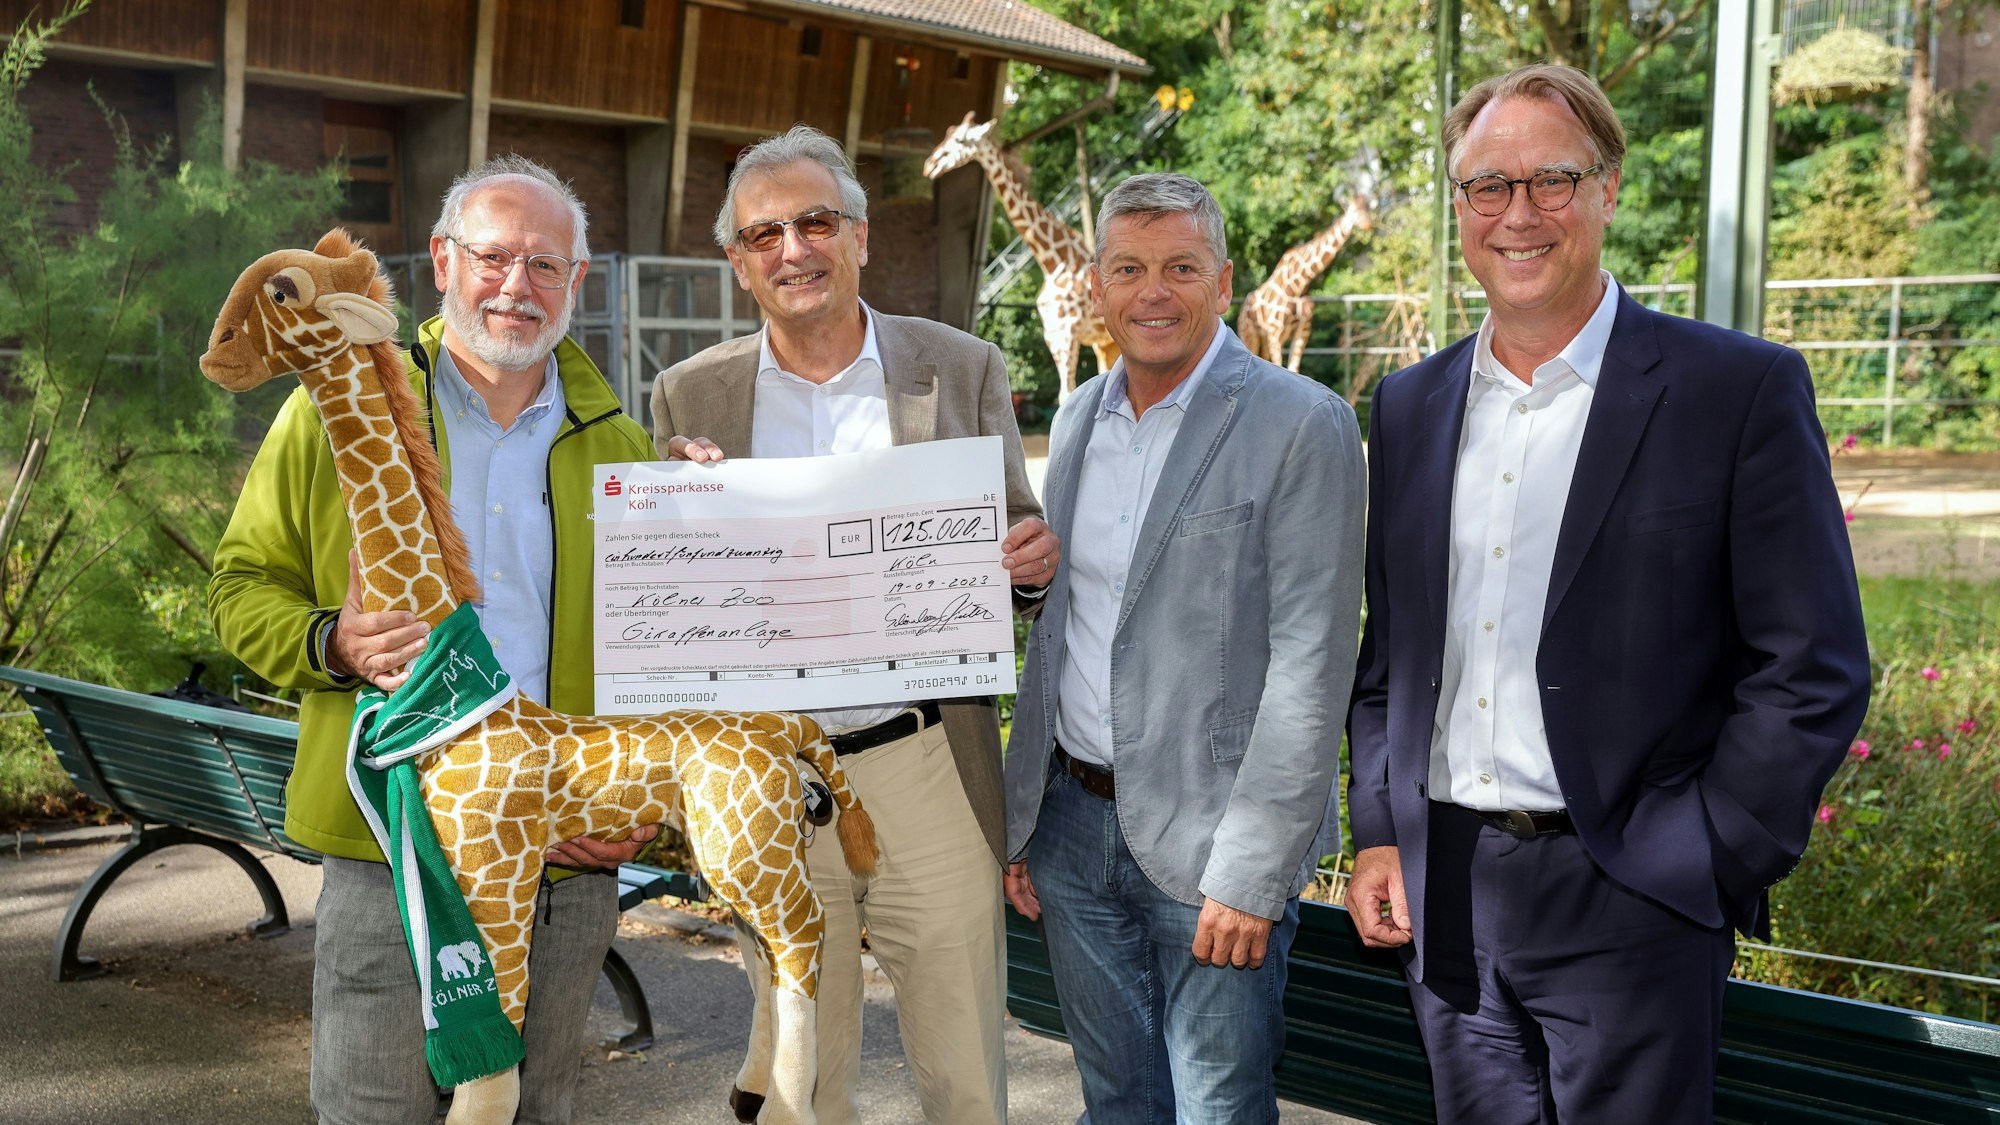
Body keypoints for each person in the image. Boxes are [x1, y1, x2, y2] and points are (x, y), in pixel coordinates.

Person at [1344, 63, 1872, 1123]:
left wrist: (1709, 852)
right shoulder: (1408, 403)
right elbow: (1391, 656)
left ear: (1608, 189)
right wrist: (1376, 828)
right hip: (1448, 887)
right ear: (1457, 206)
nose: (1518, 214)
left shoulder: (1732, 389)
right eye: (1486, 187)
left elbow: (1810, 665)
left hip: (1632, 893)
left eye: (1552, 179)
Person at [209, 155, 659, 1124]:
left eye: (546, 265)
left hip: (561, 852)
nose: (516, 286)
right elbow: (239, 589)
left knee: (533, 1109)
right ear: (442, 263)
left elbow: (664, 650)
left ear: (577, 282)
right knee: (374, 1109)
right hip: (390, 842)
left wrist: (635, 797)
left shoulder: (623, 452)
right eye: (494, 257)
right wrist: (332, 642)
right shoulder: (339, 414)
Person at [650, 124, 1056, 1125]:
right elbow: (671, 600)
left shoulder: (959, 369)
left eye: (814, 221)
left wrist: (1028, 568)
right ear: (738, 264)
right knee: (800, 1082)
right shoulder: (688, 395)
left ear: (859, 237)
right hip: (771, 779)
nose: (793, 249)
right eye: (763, 234)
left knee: (965, 1076)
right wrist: (671, 518)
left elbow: (1008, 542)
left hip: (923, 763)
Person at [1000, 172, 1366, 1123]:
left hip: (1215, 842)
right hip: (1073, 829)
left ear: (1225, 279)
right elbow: (1078, 623)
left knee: (1217, 1105)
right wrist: (1023, 819)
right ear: (1097, 282)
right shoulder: (1079, 416)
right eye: (1127, 267)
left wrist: (1253, 869)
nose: (1151, 291)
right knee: (1117, 1099)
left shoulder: (1303, 422)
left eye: (1179, 267)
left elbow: (1312, 663)